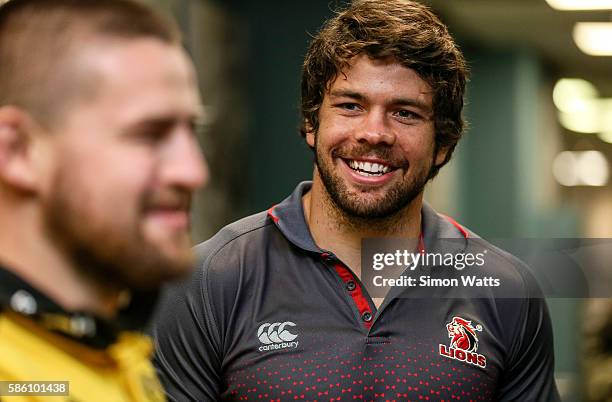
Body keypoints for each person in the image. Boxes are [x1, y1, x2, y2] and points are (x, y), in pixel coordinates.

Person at [153, 0, 560, 400]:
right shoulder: (210, 279)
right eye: (350, 106)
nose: (374, 133)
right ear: (312, 123)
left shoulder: (506, 291)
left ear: (443, 144)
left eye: (405, 113)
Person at [0, 0, 207, 401]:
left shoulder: (115, 353)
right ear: (18, 152)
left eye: (191, 130)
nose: (193, 171)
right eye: (150, 134)